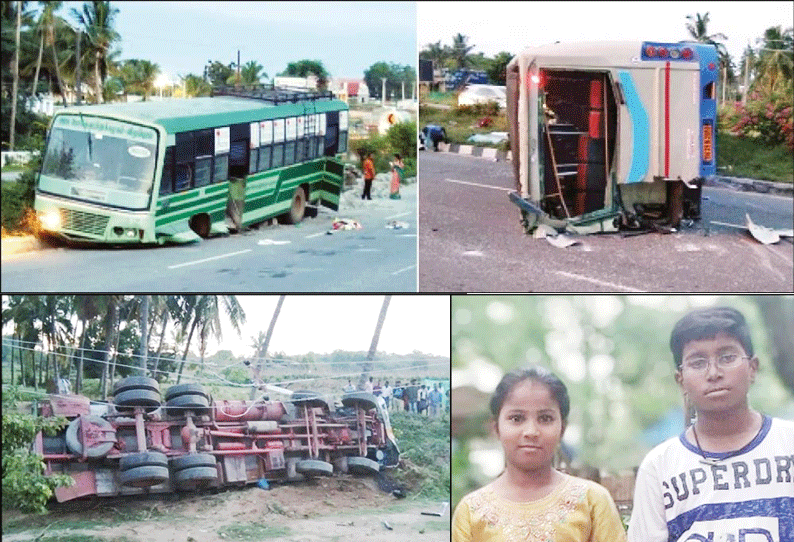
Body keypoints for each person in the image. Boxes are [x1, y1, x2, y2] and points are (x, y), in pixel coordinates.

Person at [628, 306, 794, 542]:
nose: (714, 373)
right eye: (697, 362)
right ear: (681, 379)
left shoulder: (789, 443)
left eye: (727, 357)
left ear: (752, 368)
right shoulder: (659, 466)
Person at [452, 365, 627, 542]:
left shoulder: (592, 501)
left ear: (562, 429)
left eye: (545, 418)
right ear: (496, 428)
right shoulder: (471, 511)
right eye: (516, 418)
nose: (531, 431)